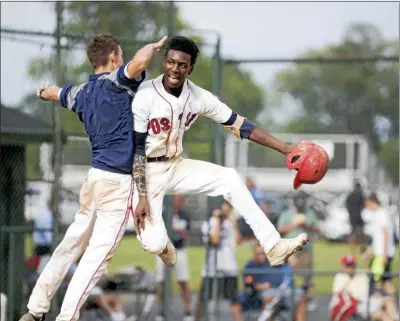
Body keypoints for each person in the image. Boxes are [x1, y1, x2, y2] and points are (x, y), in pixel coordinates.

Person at [19, 33, 168, 321]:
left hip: (94, 179)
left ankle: (35, 309)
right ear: (113, 57)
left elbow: (55, 93)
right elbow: (140, 62)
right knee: (96, 258)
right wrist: (153, 46)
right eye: (120, 55)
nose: (123, 59)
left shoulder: (80, 93)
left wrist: (43, 91)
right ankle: (66, 317)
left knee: (72, 242)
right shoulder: (118, 82)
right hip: (116, 183)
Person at [131, 35, 308, 271]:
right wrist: (142, 195)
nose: (175, 69)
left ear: (190, 68)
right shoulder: (145, 95)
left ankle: (273, 245)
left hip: (175, 165)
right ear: (164, 61)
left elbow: (240, 125)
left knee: (230, 178)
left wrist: (286, 149)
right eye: (171, 62)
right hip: (146, 173)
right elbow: (138, 150)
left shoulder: (198, 97)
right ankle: (163, 246)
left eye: (182, 65)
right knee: (154, 243)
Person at [195, 201, 242, 321]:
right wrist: (217, 221)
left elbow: (238, 241)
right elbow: (215, 240)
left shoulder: (230, 223)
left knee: (234, 300)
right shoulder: (210, 223)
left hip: (229, 267)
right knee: (203, 299)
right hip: (212, 268)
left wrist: (233, 222)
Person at [243, 245, 307, 321]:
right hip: (267, 291)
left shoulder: (273, 261)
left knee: (302, 297)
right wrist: (259, 286)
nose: (261, 256)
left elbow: (293, 262)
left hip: (283, 289)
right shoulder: (251, 265)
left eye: (263, 253)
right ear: (254, 254)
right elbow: (248, 283)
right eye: (258, 253)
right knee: (271, 299)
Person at [277, 195, 319, 311]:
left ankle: (308, 299)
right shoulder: (286, 214)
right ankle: (288, 297)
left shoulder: (309, 213)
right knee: (289, 273)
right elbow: (280, 228)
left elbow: (317, 228)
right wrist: (294, 225)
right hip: (291, 248)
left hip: (305, 248)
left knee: (307, 275)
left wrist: (306, 225)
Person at [155, 194, 193, 321]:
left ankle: (188, 310)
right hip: (164, 250)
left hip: (179, 249)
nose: (179, 202)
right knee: (161, 281)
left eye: (180, 200)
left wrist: (179, 232)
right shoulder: (163, 213)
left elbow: (186, 233)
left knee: (183, 281)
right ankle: (161, 311)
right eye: (177, 200)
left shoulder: (185, 215)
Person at [329, 254, 398, 321]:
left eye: (352, 265)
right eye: (348, 266)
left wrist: (380, 295)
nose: (351, 268)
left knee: (389, 301)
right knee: (382, 314)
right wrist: (350, 279)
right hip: (359, 304)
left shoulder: (361, 274)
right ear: (343, 266)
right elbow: (341, 295)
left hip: (369, 299)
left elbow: (371, 287)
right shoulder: (340, 277)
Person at [362, 193, 396, 296]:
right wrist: (369, 252)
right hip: (380, 253)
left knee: (378, 282)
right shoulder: (377, 214)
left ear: (373, 202)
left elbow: (385, 234)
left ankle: (381, 306)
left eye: (367, 204)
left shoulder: (382, 214)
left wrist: (384, 255)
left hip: (382, 255)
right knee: (386, 281)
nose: (366, 207)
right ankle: (388, 307)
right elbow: (378, 239)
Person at [345, 181, 365, 256]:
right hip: (359, 216)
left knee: (352, 233)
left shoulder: (350, 195)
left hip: (352, 216)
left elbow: (347, 204)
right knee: (361, 233)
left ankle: (351, 249)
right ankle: (361, 248)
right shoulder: (360, 195)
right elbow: (364, 205)